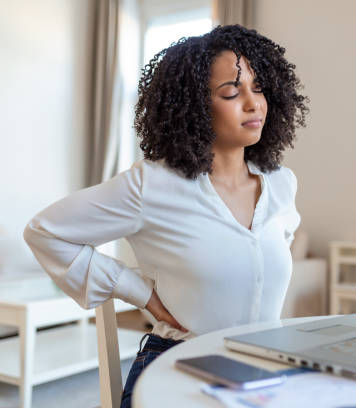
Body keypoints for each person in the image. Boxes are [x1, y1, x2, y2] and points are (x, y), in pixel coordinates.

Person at [23, 24, 308, 408]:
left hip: (259, 375)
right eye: (230, 92)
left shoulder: (282, 185)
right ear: (195, 106)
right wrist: (139, 291)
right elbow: (45, 232)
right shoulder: (152, 185)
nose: (253, 103)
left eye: (258, 88)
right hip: (177, 369)